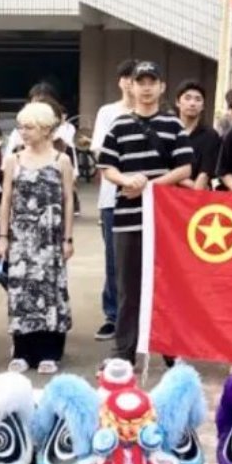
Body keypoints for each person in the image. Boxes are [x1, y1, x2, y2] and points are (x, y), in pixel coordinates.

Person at [99, 61, 194, 363]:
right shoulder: (119, 125)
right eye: (141, 82)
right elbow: (107, 166)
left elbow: (184, 168)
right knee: (127, 289)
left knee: (167, 287)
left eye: (152, 82)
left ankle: (170, 350)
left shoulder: (173, 125)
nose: (147, 88)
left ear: (162, 87)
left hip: (165, 221)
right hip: (127, 219)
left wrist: (149, 186)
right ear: (132, 86)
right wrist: (126, 180)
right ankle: (123, 353)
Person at [0, 102, 76, 373]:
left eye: (29, 127)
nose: (23, 132)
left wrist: (67, 238)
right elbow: (6, 199)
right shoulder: (14, 160)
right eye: (21, 127)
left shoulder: (61, 160)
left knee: (50, 290)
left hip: (50, 237)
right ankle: (22, 350)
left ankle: (49, 351)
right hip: (21, 237)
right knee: (21, 292)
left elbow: (68, 200)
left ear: (45, 129)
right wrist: (3, 237)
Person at [89, 59, 136, 342]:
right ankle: (113, 315)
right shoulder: (108, 112)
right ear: (120, 82)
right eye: (127, 78)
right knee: (114, 259)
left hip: (145, 195)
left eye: (137, 78)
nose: (131, 83)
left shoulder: (156, 114)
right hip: (112, 197)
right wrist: (124, 176)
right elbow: (99, 151)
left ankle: (138, 315)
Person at [175, 79, 222, 190]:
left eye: (198, 99)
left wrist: (195, 190)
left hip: (198, 196)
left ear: (203, 106)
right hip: (166, 194)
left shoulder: (210, 135)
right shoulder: (169, 131)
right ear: (177, 102)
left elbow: (204, 174)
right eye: (187, 98)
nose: (192, 103)